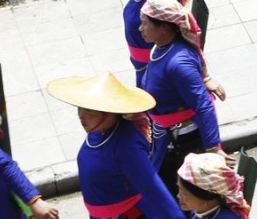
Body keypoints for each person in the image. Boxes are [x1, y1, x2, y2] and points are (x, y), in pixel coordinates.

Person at [46, 72, 179, 219]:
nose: (81, 115)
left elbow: (153, 190)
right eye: (80, 108)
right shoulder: (98, 131)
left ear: (108, 113)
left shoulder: (127, 146)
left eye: (88, 110)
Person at [136, 0, 222, 191]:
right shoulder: (160, 49)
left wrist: (213, 148)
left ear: (165, 28)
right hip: (165, 136)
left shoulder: (178, 63)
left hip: (184, 143)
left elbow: (203, 104)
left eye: (145, 24)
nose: (140, 28)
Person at [174, 150, 249, 218]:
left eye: (184, 193)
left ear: (205, 195)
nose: (178, 196)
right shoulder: (198, 211)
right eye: (179, 189)